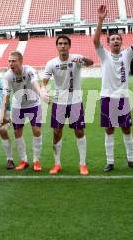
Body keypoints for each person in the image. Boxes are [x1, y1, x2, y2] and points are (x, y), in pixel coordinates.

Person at [93, 5, 133, 172]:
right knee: (109, 129)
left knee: (126, 128)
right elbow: (95, 41)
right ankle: (110, 162)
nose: (116, 41)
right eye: (113, 39)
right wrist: (100, 20)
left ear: (121, 42)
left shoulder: (127, 54)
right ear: (109, 43)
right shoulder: (104, 55)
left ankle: (131, 160)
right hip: (107, 97)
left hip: (123, 98)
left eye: (118, 39)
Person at [41, 35, 93, 175]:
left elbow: (91, 62)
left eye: (65, 43)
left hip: (75, 101)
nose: (63, 46)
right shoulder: (51, 63)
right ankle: (57, 164)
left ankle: (82, 164)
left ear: (69, 46)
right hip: (59, 102)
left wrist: (83, 59)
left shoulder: (76, 58)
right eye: (60, 44)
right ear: (57, 46)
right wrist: (43, 91)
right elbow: (44, 81)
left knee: (79, 131)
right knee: (57, 132)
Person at [1, 51, 43, 171]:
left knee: (36, 130)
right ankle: (24, 160)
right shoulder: (8, 76)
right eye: (9, 61)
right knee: (17, 133)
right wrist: (4, 114)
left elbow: (35, 83)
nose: (10, 63)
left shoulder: (30, 70)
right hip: (18, 106)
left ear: (21, 61)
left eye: (13, 61)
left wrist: (41, 93)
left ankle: (36, 161)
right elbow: (6, 97)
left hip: (34, 104)